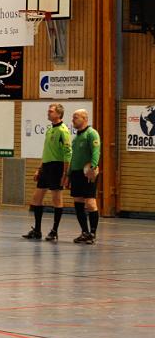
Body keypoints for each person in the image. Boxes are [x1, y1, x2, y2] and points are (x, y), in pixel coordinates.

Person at [23, 103, 72, 242]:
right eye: (48, 111)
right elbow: (46, 151)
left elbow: (68, 153)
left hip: (57, 167)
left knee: (56, 199)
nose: (48, 113)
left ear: (58, 114)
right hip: (46, 166)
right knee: (36, 198)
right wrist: (40, 168)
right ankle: (37, 230)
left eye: (50, 111)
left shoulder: (63, 131)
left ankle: (54, 231)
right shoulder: (50, 130)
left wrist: (65, 173)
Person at [69, 109, 101, 244]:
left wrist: (93, 167)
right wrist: (69, 174)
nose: (73, 120)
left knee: (90, 202)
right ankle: (84, 232)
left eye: (75, 117)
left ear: (84, 118)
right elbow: (73, 157)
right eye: (73, 117)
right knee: (78, 201)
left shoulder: (91, 134)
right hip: (76, 173)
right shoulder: (76, 138)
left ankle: (92, 233)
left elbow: (96, 151)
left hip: (88, 173)